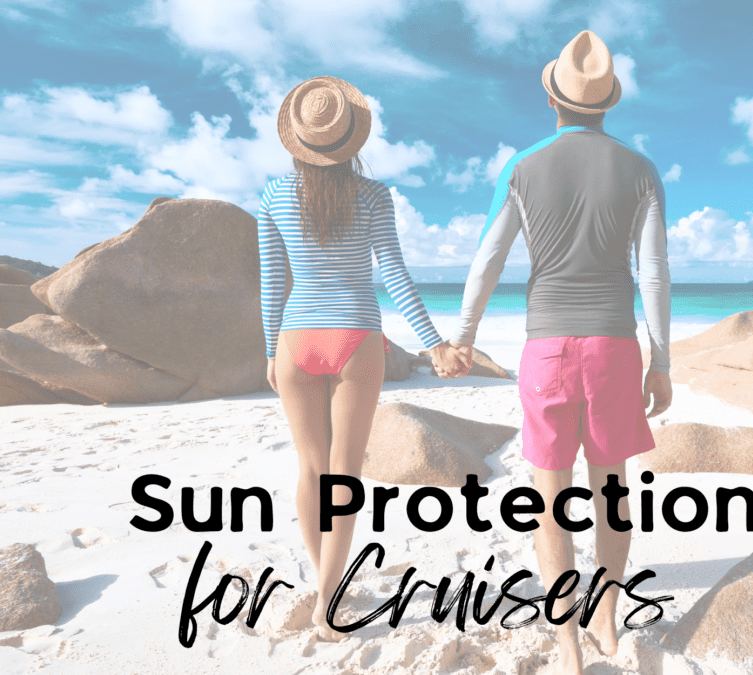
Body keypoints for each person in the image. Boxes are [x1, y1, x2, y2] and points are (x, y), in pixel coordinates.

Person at [451, 31, 673, 675]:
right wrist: (662, 361)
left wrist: (463, 337)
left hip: (546, 347)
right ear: (607, 103)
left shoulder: (522, 166)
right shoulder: (642, 170)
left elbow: (487, 260)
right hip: (613, 346)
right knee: (612, 487)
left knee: (548, 492)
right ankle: (604, 613)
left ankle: (567, 638)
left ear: (553, 98)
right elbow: (653, 273)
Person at [257, 76, 468, 641]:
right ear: (351, 138)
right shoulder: (374, 196)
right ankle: (330, 595)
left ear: (298, 140)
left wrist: (270, 348)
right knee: (346, 473)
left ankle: (326, 584)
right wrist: (435, 343)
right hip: (357, 336)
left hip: (297, 338)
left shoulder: (273, 195)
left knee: (310, 468)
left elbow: (272, 281)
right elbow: (394, 273)